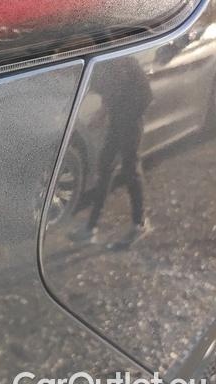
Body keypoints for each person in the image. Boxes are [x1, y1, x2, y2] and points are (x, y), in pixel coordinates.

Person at [70, 56, 153, 247]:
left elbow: (142, 93)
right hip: (118, 116)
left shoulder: (118, 61)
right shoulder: (99, 62)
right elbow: (109, 92)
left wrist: (126, 118)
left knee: (130, 168)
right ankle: (91, 227)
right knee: (105, 166)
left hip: (131, 117)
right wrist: (104, 113)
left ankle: (140, 224)